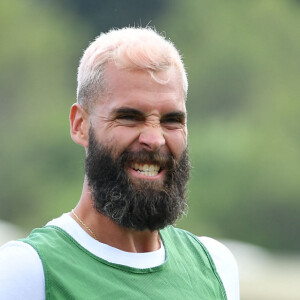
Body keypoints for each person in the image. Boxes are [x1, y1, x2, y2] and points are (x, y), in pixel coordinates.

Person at [0, 27, 239, 299]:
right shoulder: (28, 272)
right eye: (129, 117)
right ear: (80, 125)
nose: (154, 139)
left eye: (171, 120)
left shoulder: (215, 267)